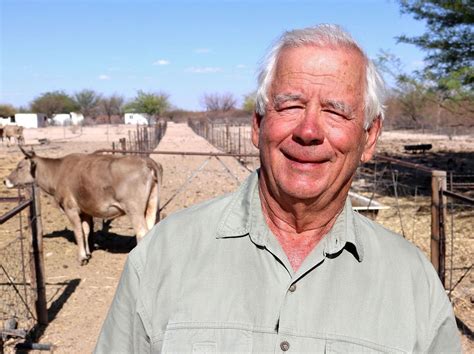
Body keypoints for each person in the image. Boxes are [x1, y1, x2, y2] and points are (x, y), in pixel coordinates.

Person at [95, 24, 461, 353]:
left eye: (335, 111)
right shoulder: (165, 252)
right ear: (258, 125)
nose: (308, 131)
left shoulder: (413, 282)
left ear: (369, 137)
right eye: (290, 105)